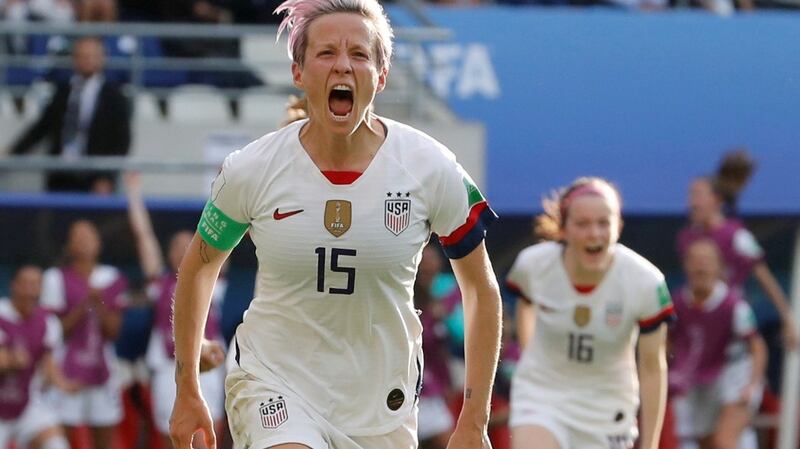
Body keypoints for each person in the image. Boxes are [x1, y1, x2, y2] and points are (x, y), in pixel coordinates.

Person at [168, 0, 503, 447]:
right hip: (274, 383)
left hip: (380, 404)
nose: (343, 64)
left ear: (380, 77)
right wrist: (187, 385)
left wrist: (474, 420)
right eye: (326, 53)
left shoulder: (431, 168)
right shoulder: (250, 168)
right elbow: (199, 267)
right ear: (298, 72)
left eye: (360, 54)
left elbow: (480, 289)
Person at [506, 177, 674, 449]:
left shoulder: (645, 282)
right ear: (563, 228)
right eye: (582, 223)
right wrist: (531, 357)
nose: (594, 233)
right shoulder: (533, 265)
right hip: (542, 394)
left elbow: (653, 367)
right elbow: (525, 306)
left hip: (607, 408)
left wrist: (650, 444)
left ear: (618, 226)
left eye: (603, 223)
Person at [124, 172, 227, 449]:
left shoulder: (213, 279)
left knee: (208, 436)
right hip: (170, 367)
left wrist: (226, 185)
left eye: (189, 245)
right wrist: (134, 193)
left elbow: (224, 226)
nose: (184, 250)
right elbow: (143, 234)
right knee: (174, 436)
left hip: (207, 367)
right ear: (168, 254)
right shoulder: (161, 280)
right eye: (178, 246)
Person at [676, 150, 798, 348]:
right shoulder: (686, 238)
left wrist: (787, 319)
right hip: (696, 330)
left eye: (698, 195)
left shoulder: (737, 237)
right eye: (690, 195)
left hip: (729, 333)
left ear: (716, 200)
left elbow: (766, 280)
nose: (691, 202)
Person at [669, 239, 767, 449]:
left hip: (736, 375)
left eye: (706, 261)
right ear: (686, 265)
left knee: (724, 441)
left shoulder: (733, 306)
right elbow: (669, 342)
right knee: (706, 441)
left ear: (719, 268)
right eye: (695, 261)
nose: (700, 266)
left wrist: (752, 385)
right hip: (701, 380)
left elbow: (757, 347)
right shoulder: (678, 302)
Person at [39, 219, 128, 449]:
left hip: (102, 370)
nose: (84, 242)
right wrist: (82, 305)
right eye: (78, 237)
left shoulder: (113, 277)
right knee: (59, 439)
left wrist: (98, 305)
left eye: (89, 236)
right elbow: (56, 333)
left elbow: (113, 332)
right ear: (69, 246)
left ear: (99, 244)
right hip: (67, 370)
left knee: (104, 435)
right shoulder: (54, 278)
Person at [7, 36, 131, 193]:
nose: (87, 60)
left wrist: (106, 177)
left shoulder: (114, 96)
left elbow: (122, 141)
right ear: (74, 59)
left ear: (102, 58)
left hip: (94, 178)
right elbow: (41, 128)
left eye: (92, 56)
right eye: (82, 56)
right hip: (60, 176)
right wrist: (11, 153)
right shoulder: (63, 91)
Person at [0, 265, 76, 449]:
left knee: (56, 445)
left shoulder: (48, 322)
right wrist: (10, 361)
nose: (30, 290)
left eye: (35, 284)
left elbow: (48, 363)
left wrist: (63, 383)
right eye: (25, 283)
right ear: (13, 286)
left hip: (26, 403)